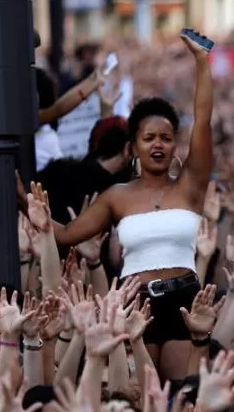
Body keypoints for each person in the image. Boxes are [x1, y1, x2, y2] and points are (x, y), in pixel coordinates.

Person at [23, 30, 214, 382]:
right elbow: (65, 236)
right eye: (149, 138)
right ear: (134, 146)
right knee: (131, 402)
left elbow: (202, 119)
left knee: (180, 398)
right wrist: (26, 204)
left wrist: (202, 62)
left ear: (175, 145)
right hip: (131, 306)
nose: (158, 144)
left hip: (184, 304)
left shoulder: (190, 186)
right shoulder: (116, 196)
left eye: (166, 138)